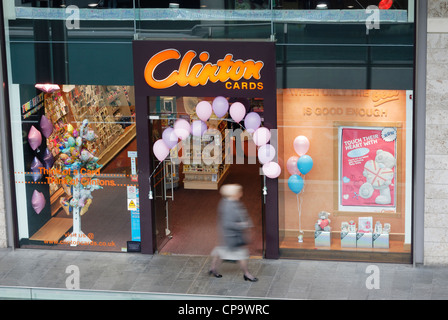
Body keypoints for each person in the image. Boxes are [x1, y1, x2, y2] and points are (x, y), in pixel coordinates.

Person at [209, 184, 258, 282]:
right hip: (232, 236)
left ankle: (213, 268)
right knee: (242, 255)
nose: (241, 193)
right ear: (234, 194)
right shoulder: (229, 206)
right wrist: (243, 225)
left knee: (221, 251)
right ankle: (247, 274)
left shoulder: (229, 202)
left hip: (228, 236)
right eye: (239, 192)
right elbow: (228, 223)